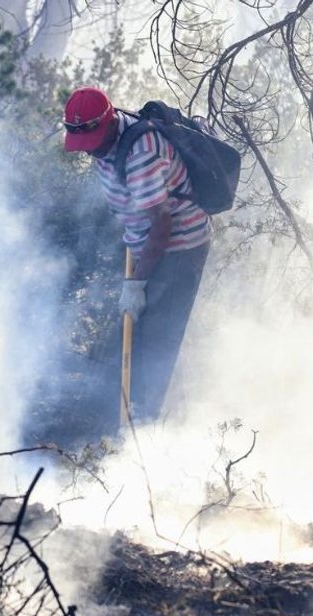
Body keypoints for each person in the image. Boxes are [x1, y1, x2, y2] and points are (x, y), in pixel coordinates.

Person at [62, 86, 211, 425]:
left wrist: (136, 283)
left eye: (94, 142)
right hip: (147, 245)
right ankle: (150, 413)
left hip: (178, 247)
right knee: (143, 331)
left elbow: (162, 224)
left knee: (159, 336)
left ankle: (148, 429)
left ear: (110, 121)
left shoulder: (142, 152)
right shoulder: (106, 143)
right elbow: (135, 211)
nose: (90, 152)